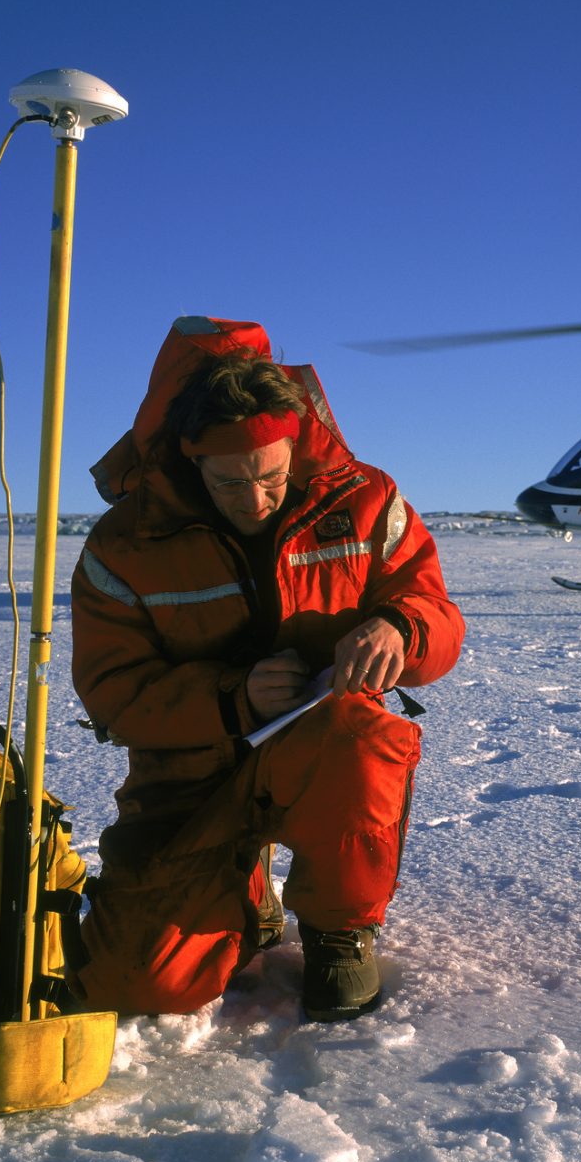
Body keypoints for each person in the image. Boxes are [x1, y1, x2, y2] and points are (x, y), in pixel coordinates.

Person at [67, 314, 464, 1022]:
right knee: (142, 985)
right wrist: (231, 698)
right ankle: (245, 897)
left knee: (360, 735)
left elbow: (434, 609)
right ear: (191, 458)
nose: (254, 500)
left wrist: (399, 629)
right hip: (191, 774)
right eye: (228, 484)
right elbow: (111, 691)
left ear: (295, 441)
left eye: (271, 476)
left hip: (323, 749)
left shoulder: (364, 499)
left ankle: (341, 928)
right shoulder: (125, 545)